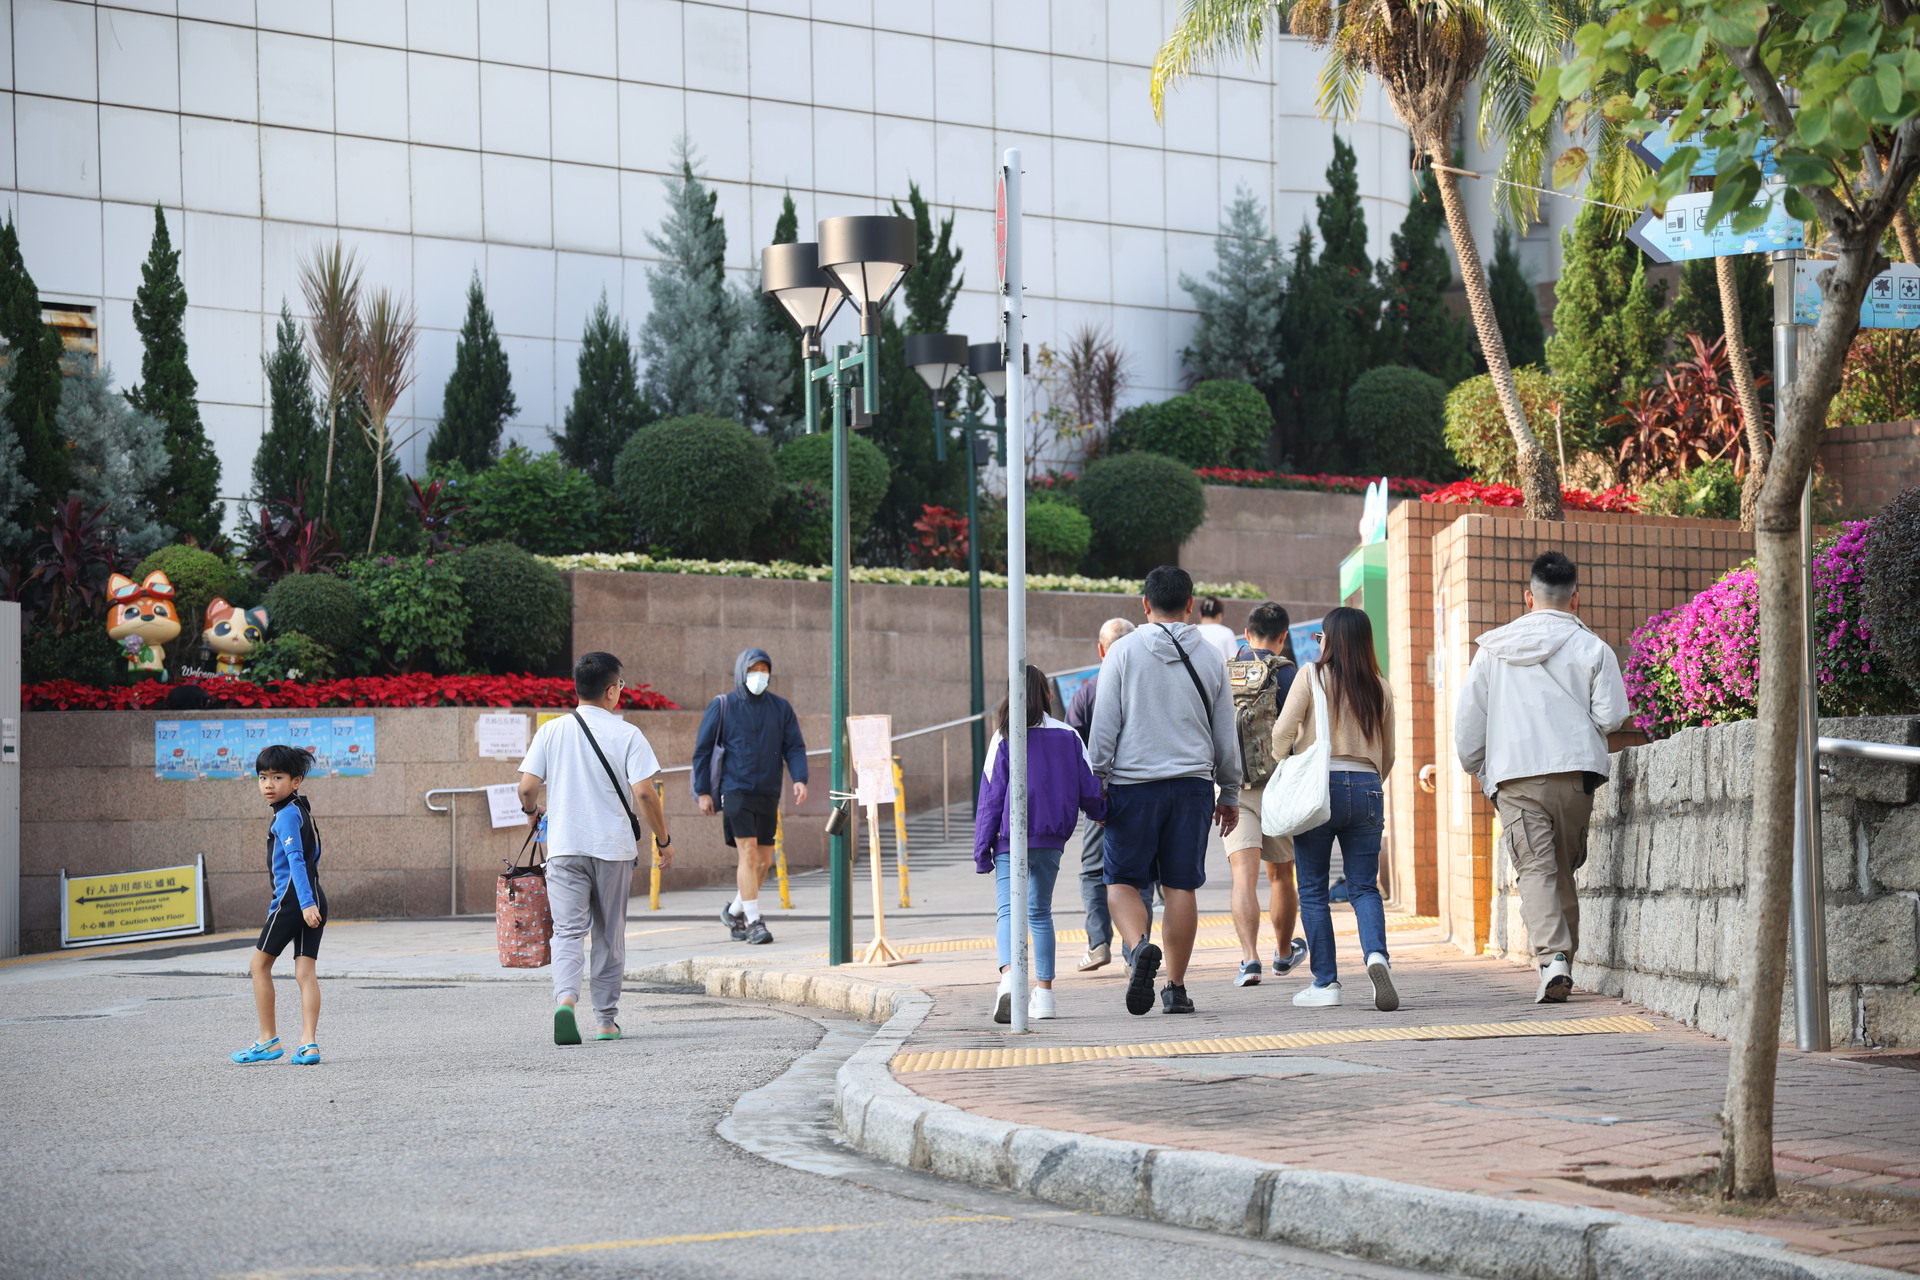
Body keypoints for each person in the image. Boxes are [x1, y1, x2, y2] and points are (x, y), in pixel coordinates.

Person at [1454, 551, 1629, 1003]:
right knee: (1562, 869)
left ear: (1528, 597)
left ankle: (1553, 959)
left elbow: (1470, 725)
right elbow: (1613, 716)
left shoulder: (1492, 649)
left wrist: (1477, 766)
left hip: (1515, 776)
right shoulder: (1594, 648)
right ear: (1576, 600)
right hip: (1575, 775)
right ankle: (1561, 959)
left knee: (1536, 869)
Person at [1088, 565, 1242, 1016]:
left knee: (1119, 882)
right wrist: (1229, 792)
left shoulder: (1122, 653)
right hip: (1192, 788)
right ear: (1191, 604)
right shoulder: (1212, 657)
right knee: (1181, 887)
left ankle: (1138, 950)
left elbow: (1104, 728)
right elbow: (1224, 733)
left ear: (1145, 605)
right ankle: (1174, 988)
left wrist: (1096, 783)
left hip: (1132, 788)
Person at [518, 651, 673, 1046]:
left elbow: (526, 787)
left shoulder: (552, 731)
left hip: (565, 848)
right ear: (610, 691)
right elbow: (644, 793)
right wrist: (663, 838)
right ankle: (606, 1022)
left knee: (568, 932)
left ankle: (565, 1001)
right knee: (608, 934)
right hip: (613, 849)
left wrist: (533, 812)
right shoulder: (628, 735)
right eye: (620, 685)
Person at [1271, 606, 1398, 1011]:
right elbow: (1389, 753)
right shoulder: (1381, 685)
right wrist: (1370, 781)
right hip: (1368, 787)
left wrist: (1285, 762)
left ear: (1330, 640)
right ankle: (1376, 955)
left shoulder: (1312, 675)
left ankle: (1326, 984)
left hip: (1318, 787)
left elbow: (1282, 731)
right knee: (1363, 886)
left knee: (1312, 888)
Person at [975, 664, 1108, 1023]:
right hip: (1052, 840)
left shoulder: (1004, 737)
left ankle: (1008, 981)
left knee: (1008, 911)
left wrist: (981, 850)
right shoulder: (1069, 736)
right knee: (1039, 913)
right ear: (1048, 694)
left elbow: (991, 796)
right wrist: (1101, 812)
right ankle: (1045, 997)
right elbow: (1088, 786)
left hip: (1010, 841)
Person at [692, 647, 809, 946]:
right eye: (753, 669)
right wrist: (703, 791)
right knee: (747, 853)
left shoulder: (780, 708)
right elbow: (703, 751)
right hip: (736, 789)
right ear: (741, 672)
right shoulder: (723, 705)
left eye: (764, 669)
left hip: (769, 790)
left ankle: (733, 912)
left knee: (763, 860)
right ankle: (754, 920)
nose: (759, 675)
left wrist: (800, 778)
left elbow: (793, 746)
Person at [1224, 601, 1308, 986]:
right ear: (1283, 637)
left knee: (1243, 875)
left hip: (1235, 786)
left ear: (1246, 634)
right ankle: (1283, 954)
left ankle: (1249, 960)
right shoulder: (1289, 673)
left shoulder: (1225, 671)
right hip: (1279, 786)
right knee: (1281, 876)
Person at [1064, 617, 1152, 971]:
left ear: (1101, 650)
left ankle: (1098, 943)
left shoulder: (1088, 691)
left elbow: (1073, 747)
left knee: (1091, 871)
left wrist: (1086, 797)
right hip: (1145, 790)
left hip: (1100, 795)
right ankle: (1137, 948)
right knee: (1141, 872)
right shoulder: (1149, 685)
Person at [231, 744, 327, 1066]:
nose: (268, 784)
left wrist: (303, 903)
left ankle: (267, 1040)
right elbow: (315, 857)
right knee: (305, 972)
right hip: (312, 897)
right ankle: (308, 1044)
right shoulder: (301, 810)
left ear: (296, 780)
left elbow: (297, 861)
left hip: (292, 901)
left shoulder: (286, 815)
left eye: (277, 777)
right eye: (262, 777)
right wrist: (313, 901)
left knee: (259, 965)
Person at [1196, 595, 1239, 665]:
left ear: (1200, 615)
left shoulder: (1191, 631)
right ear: (1219, 616)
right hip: (1219, 674)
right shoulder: (1227, 633)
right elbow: (1235, 662)